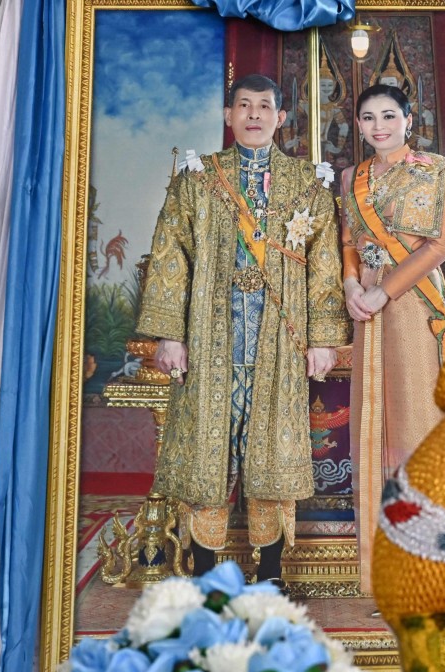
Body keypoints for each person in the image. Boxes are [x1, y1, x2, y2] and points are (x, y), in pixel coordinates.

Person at [136, 74, 350, 585]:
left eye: (266, 107)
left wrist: (321, 339)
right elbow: (170, 258)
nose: (254, 115)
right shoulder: (198, 180)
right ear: (229, 116)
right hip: (211, 341)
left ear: (281, 119)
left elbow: (323, 266)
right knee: (208, 457)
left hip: (277, 342)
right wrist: (170, 334)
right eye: (244, 106)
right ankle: (207, 575)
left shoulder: (307, 185)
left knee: (271, 456)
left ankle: (271, 575)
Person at [339, 84, 445, 594]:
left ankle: (435, 568)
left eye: (389, 116)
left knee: (417, 424)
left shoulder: (439, 170)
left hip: (415, 308)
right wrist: (351, 284)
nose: (378, 126)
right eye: (368, 118)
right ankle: (384, 574)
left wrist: (383, 292)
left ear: (409, 119)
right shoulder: (352, 177)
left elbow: (442, 245)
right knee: (373, 432)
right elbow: (348, 240)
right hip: (365, 309)